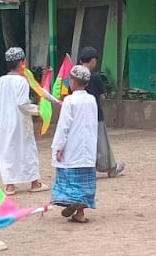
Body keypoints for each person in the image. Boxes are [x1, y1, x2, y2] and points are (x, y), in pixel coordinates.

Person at [0, 47, 49, 195]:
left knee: (7, 150)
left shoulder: (1, 80)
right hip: (20, 122)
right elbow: (22, 104)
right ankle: (34, 183)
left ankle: (10, 185)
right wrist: (38, 110)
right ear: (22, 62)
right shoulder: (21, 81)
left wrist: (0, 120)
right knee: (27, 149)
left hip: (6, 120)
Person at [52, 65, 100, 224]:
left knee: (69, 179)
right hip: (87, 147)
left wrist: (59, 146)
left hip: (72, 146)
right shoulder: (92, 99)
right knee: (85, 179)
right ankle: (79, 212)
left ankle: (73, 202)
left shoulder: (70, 101)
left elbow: (63, 125)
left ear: (72, 81)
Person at [77, 46, 125, 178]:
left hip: (79, 117)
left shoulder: (74, 76)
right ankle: (111, 168)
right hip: (96, 115)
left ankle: (87, 169)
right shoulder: (95, 77)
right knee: (102, 142)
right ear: (92, 61)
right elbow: (102, 96)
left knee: (84, 143)